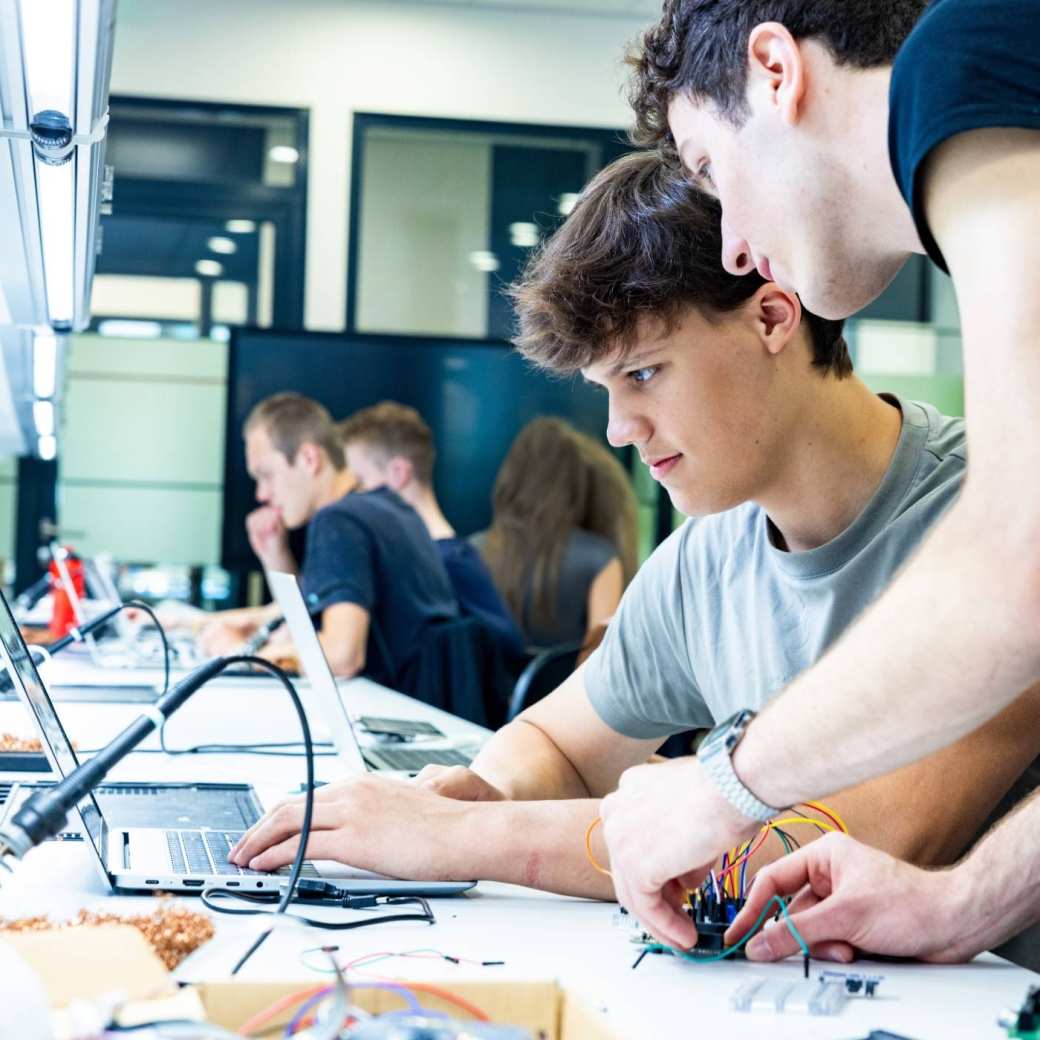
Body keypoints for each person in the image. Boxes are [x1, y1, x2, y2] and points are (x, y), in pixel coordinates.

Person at [226, 154, 1040, 903]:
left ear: (772, 316)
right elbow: (562, 740)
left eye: (644, 373)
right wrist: (489, 788)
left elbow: (858, 842)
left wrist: (463, 836)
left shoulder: (1000, 514)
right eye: (604, 389)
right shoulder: (707, 556)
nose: (618, 429)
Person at [599, 0, 1040, 957]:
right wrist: (964, 904)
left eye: (713, 169)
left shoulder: (964, 63)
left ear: (775, 70)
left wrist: (727, 783)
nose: (727, 244)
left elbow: (1018, 565)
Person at [200, 392, 457, 685]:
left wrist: (239, 655)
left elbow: (342, 654)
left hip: (389, 711)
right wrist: (274, 553)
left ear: (309, 459)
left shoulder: (338, 520)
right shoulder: (390, 509)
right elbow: (309, 620)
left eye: (266, 475)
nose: (262, 494)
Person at [337, 401, 525, 662]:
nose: (354, 495)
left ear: (398, 473)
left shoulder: (449, 563)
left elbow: (508, 655)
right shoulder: (445, 558)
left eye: (361, 481)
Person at [473, 417, 636, 649]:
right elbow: (599, 659)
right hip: (569, 685)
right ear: (577, 482)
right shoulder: (601, 560)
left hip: (478, 685)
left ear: (510, 478)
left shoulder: (472, 551)